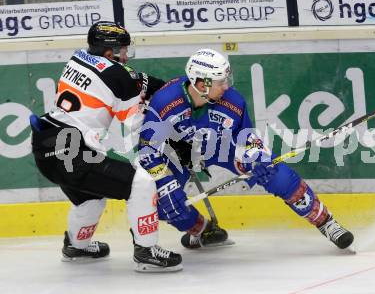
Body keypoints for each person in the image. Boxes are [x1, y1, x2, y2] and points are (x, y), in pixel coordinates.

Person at [138, 48, 354, 251]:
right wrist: (165, 181)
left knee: (278, 175)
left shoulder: (233, 101)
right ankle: (204, 230)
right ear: (202, 84)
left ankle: (326, 223)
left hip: (220, 148)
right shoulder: (164, 101)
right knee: (164, 202)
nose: (226, 87)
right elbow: (148, 149)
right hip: (178, 155)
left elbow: (247, 138)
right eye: (221, 82)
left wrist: (258, 158)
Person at [30, 21, 182, 272]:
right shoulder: (119, 76)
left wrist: (142, 84)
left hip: (45, 148)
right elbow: (133, 127)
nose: (126, 56)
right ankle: (146, 251)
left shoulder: (77, 58)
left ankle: (76, 247)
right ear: (110, 53)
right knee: (141, 182)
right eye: (123, 50)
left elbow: (127, 78)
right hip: (72, 154)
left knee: (91, 198)